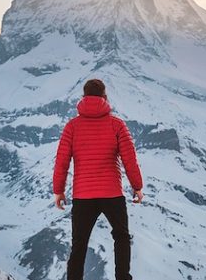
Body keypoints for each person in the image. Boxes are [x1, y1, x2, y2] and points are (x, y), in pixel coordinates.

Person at [53, 78, 143, 280]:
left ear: (84, 97)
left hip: (83, 196)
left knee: (79, 245)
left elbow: (62, 161)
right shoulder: (117, 124)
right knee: (121, 236)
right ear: (104, 97)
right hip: (112, 194)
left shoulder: (72, 126)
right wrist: (137, 186)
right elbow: (129, 159)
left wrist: (58, 190)